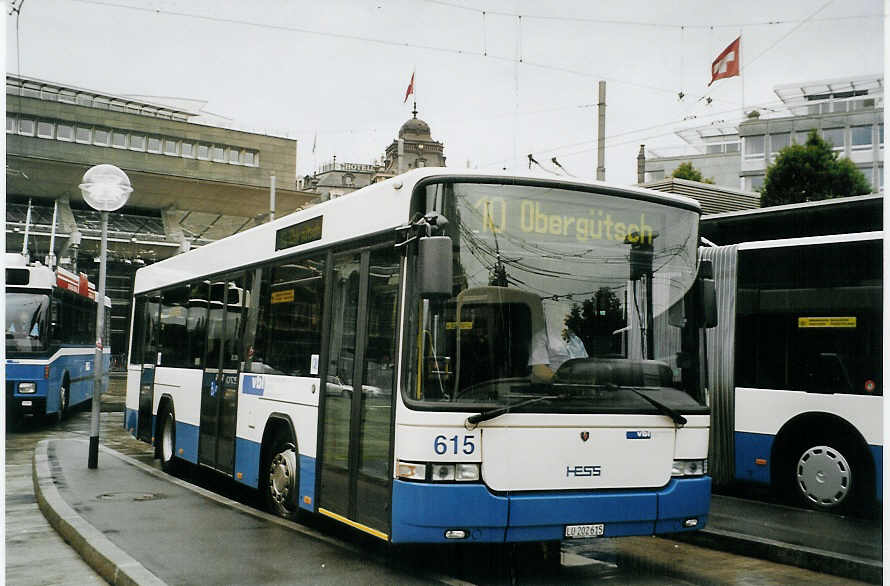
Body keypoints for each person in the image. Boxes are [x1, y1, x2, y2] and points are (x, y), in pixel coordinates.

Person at [528, 315, 588, 383]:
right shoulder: (541, 338)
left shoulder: (576, 339)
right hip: (553, 388)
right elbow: (539, 369)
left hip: (580, 386)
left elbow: (585, 365)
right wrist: (561, 381)